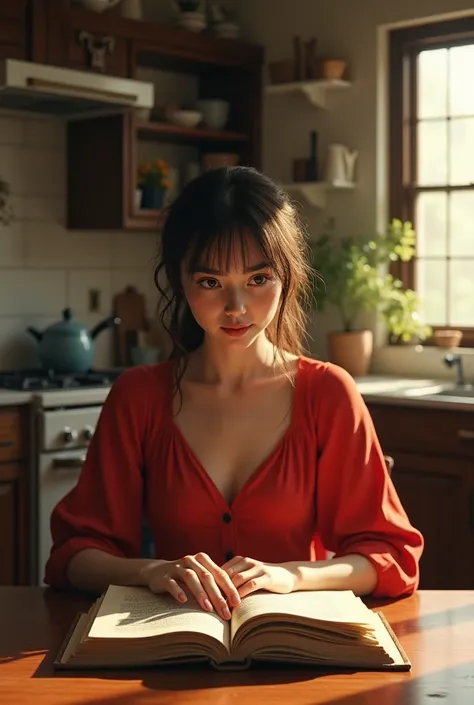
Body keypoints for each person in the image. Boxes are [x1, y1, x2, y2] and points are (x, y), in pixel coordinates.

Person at [45, 166, 423, 622]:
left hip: (295, 653)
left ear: (287, 276)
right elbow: (74, 556)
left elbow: (390, 557)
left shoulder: (328, 394)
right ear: (179, 280)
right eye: (211, 282)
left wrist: (293, 576)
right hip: (170, 652)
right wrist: (152, 572)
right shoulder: (138, 397)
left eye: (258, 279)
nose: (236, 307)